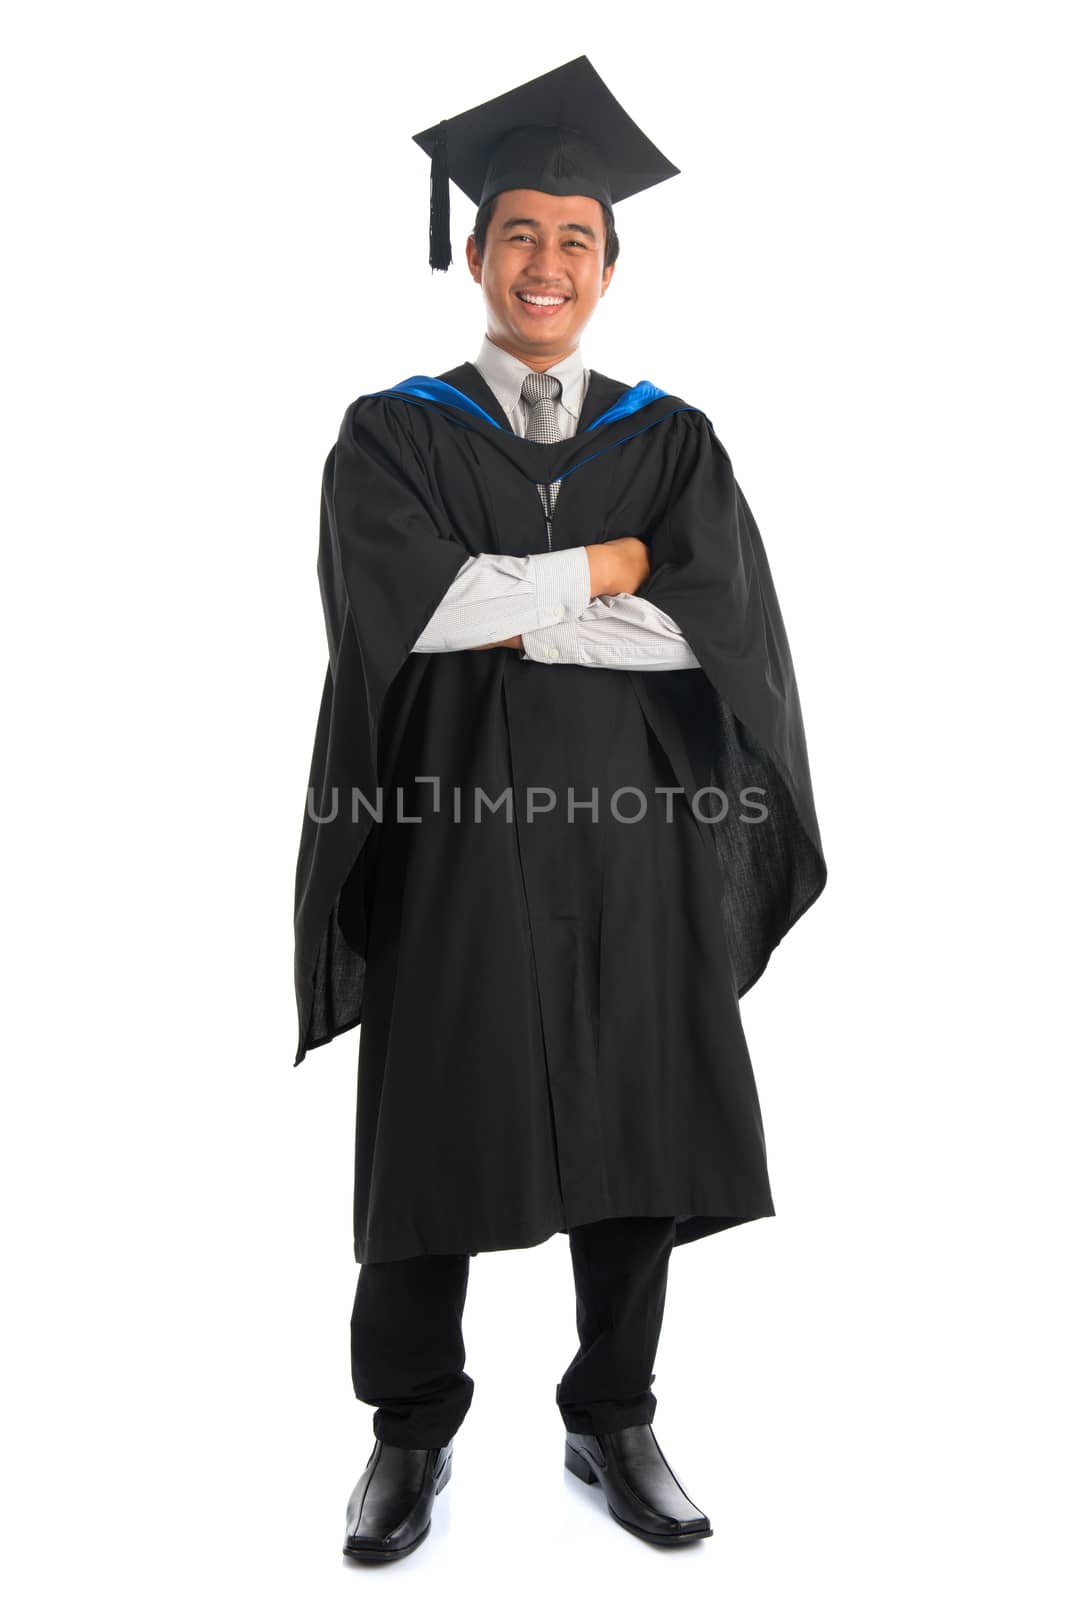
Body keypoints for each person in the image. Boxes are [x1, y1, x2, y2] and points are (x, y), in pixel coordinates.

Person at [292, 55, 827, 1562]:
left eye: (574, 239)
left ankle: (614, 1413)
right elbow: (414, 611)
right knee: (434, 1136)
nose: (546, 263)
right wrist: (607, 569)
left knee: (639, 1126)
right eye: (518, 232)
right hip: (454, 840)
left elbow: (716, 638)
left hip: (634, 839)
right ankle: (409, 1436)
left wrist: (507, 603)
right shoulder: (392, 435)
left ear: (608, 263)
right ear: (474, 253)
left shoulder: (670, 438)